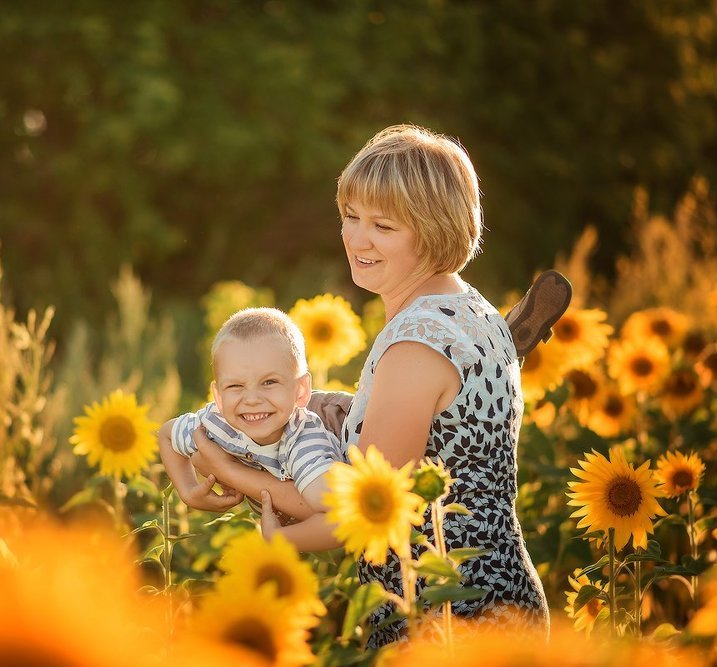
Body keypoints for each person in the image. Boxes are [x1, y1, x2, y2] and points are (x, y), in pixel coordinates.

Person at [190, 124, 555, 647]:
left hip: (451, 618)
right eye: (350, 217)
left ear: (433, 230)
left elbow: (361, 516)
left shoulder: (415, 346)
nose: (356, 239)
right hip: (492, 603)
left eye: (382, 226)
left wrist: (231, 471)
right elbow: (442, 446)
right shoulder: (469, 308)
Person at [158, 307, 345, 523]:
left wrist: (228, 471)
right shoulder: (215, 426)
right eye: (236, 385)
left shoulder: (304, 437)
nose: (252, 399)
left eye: (269, 382)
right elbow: (166, 434)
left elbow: (332, 506)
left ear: (300, 391)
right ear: (218, 397)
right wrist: (188, 491)